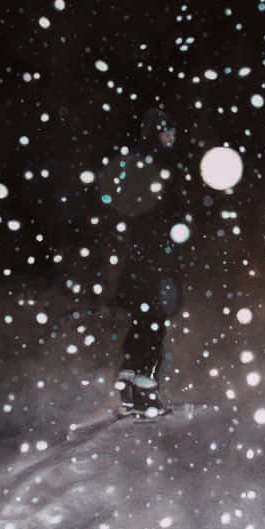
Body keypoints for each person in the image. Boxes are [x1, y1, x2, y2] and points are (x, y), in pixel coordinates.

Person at [105, 107, 189, 418]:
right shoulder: (164, 164)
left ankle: (128, 385)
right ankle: (145, 391)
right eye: (167, 131)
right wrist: (178, 233)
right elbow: (170, 211)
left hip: (138, 255)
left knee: (141, 319)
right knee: (154, 320)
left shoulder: (134, 164)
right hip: (158, 256)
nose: (172, 137)